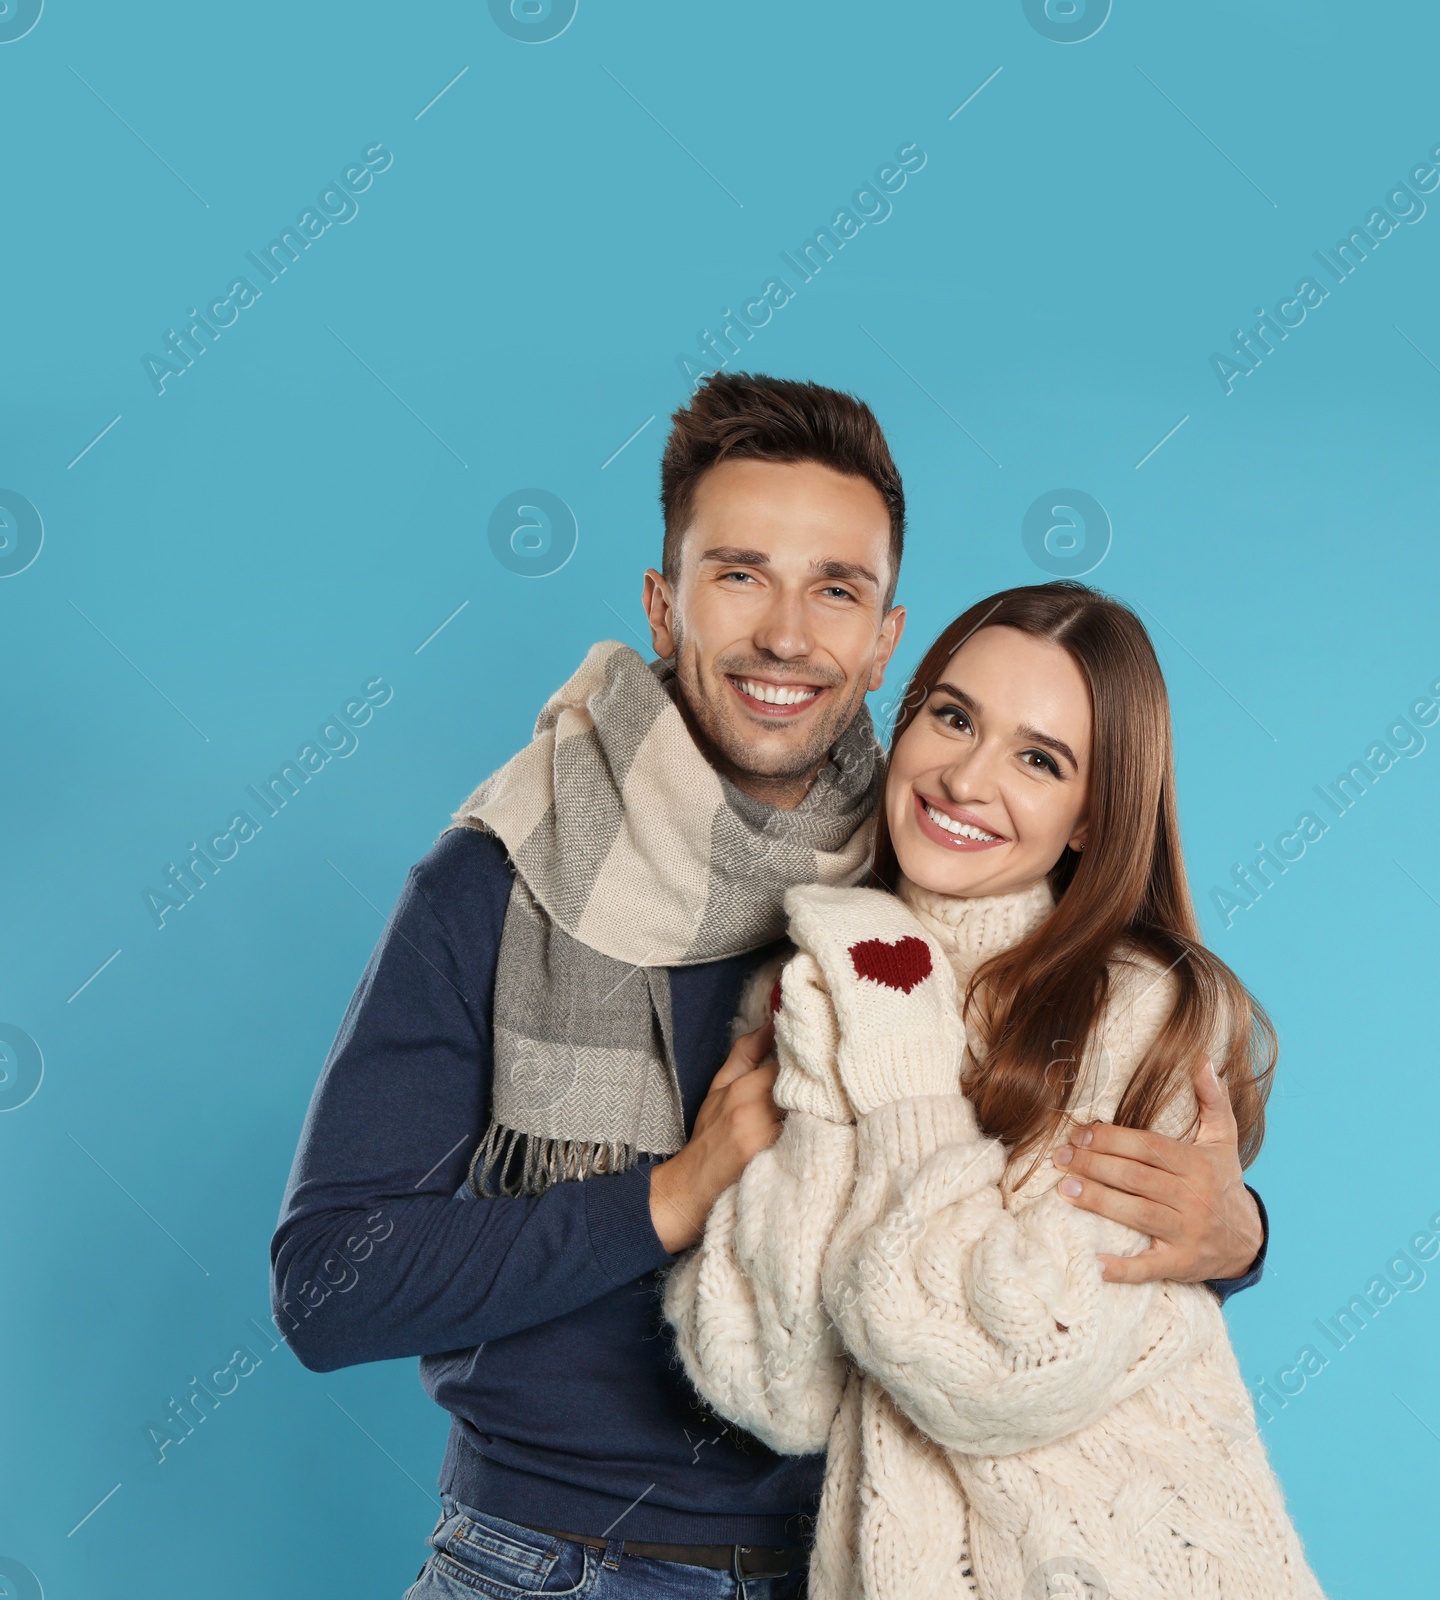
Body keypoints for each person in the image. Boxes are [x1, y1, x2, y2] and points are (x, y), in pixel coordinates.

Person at [270, 376, 1269, 1599]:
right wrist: (671, 1194)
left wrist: (1232, 1236)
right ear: (662, 606)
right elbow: (328, 1289)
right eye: (739, 574)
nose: (787, 635)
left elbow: (1050, 1217)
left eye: (835, 589)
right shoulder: (502, 877)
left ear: (885, 638)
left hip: (872, 1563)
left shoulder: (945, 881)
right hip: (548, 1563)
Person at [667, 582, 1322, 1599]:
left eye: (1037, 758)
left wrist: (899, 1070)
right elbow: (776, 1384)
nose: (966, 778)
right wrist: (860, 1009)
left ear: (1087, 817)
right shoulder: (831, 970)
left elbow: (996, 1367)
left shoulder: (1139, 1012)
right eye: (953, 716)